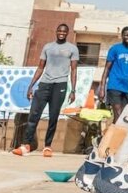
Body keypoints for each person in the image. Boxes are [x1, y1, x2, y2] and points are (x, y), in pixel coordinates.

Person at [12, 23, 78, 157]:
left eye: (64, 31)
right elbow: (40, 67)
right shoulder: (48, 47)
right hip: (44, 84)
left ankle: (47, 147)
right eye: (59, 30)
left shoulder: (72, 48)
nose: (61, 33)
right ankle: (26, 145)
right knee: (33, 114)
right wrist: (31, 85)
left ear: (67, 33)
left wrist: (73, 90)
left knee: (53, 117)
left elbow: (74, 70)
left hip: (60, 85)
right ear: (56, 31)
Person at [97, 26, 128, 123]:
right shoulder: (115, 49)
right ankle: (117, 137)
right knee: (118, 113)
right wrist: (102, 88)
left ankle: (112, 136)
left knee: (122, 115)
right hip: (114, 86)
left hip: (126, 88)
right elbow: (107, 68)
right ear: (122, 36)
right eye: (126, 35)